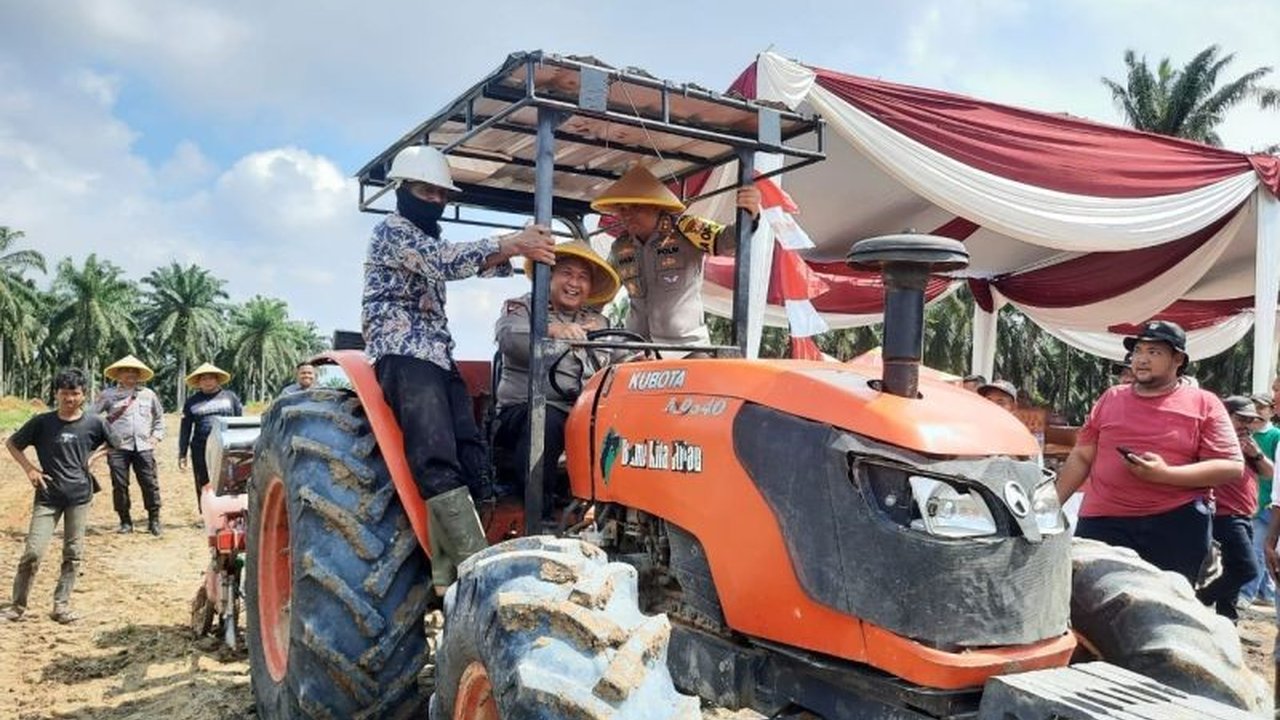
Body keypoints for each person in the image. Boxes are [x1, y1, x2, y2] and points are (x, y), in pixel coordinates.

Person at [362, 144, 555, 591]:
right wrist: (512, 242)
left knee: (470, 449)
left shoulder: (428, 236)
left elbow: (473, 262)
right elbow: (445, 262)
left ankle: (445, 577)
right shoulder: (393, 231)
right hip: (403, 352)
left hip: (437, 352)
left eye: (440, 194)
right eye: (425, 191)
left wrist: (529, 257)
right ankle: (478, 574)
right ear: (402, 189)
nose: (434, 200)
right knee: (434, 453)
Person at [1055, 321, 1243, 584]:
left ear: (1178, 359)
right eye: (1138, 351)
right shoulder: (1111, 398)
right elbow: (1082, 456)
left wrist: (1166, 474)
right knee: (1087, 598)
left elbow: (1231, 467)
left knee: (1166, 604)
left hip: (1175, 523)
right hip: (1104, 519)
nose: (1142, 359)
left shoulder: (1204, 403)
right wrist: (1051, 506)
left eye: (1154, 352)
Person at [493, 240, 620, 514]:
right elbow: (510, 340)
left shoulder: (599, 322)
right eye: (567, 273)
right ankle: (539, 515)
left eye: (583, 277)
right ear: (548, 275)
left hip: (584, 414)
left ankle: (615, 513)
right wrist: (551, 331)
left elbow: (620, 355)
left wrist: (640, 360)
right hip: (526, 410)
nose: (574, 282)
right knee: (545, 419)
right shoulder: (522, 309)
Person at [594, 166, 760, 348]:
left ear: (655, 205)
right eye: (622, 209)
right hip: (637, 347)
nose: (627, 215)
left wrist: (750, 216)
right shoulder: (620, 247)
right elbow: (602, 289)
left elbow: (726, 241)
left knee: (704, 367)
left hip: (685, 348)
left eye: (635, 206)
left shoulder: (687, 229)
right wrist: (589, 318)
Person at [3, 368, 118, 624]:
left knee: (73, 553)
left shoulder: (95, 423)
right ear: (56, 394)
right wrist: (30, 469)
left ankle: (61, 605)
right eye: (64, 393)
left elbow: (115, 442)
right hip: (47, 497)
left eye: (74, 393)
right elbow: (12, 443)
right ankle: (17, 606)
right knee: (33, 552)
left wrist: (94, 457)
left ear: (83, 395)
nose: (69, 398)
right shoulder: (42, 422)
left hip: (79, 496)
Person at [1195, 396, 1267, 621]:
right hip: (1225, 515)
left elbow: (1270, 473)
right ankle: (1199, 600)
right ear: (1225, 416)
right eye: (1241, 419)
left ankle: (1228, 621)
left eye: (1250, 420)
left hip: (1246, 515)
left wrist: (1256, 454)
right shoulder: (1216, 441)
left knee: (1233, 569)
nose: (1246, 425)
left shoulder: (1249, 445)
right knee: (1247, 568)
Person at [93, 355, 165, 536]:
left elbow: (159, 418)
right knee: (119, 485)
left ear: (139, 375)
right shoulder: (108, 395)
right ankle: (125, 521)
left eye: (134, 371)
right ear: (118, 375)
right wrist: (102, 437)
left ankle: (154, 520)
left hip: (144, 447)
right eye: (126, 371)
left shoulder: (148, 394)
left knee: (149, 483)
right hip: (118, 448)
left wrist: (156, 437)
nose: (130, 374)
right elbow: (92, 416)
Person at [178, 362, 243, 508]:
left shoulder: (230, 398)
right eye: (204, 379)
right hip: (200, 447)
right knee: (203, 480)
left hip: (227, 446)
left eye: (211, 378)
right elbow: (185, 429)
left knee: (230, 479)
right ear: (198, 382)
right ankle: (206, 511)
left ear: (217, 380)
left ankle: (231, 510)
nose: (208, 382)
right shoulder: (191, 402)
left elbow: (239, 421)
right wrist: (182, 453)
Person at [1241, 392, 1280, 605]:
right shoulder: (1248, 435)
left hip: (1269, 504)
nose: (1257, 413)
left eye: (1261, 408)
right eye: (1254, 407)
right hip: (1253, 501)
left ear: (1271, 411)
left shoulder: (1275, 436)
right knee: (1262, 549)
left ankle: (1246, 594)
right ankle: (1266, 592)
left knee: (1256, 550)